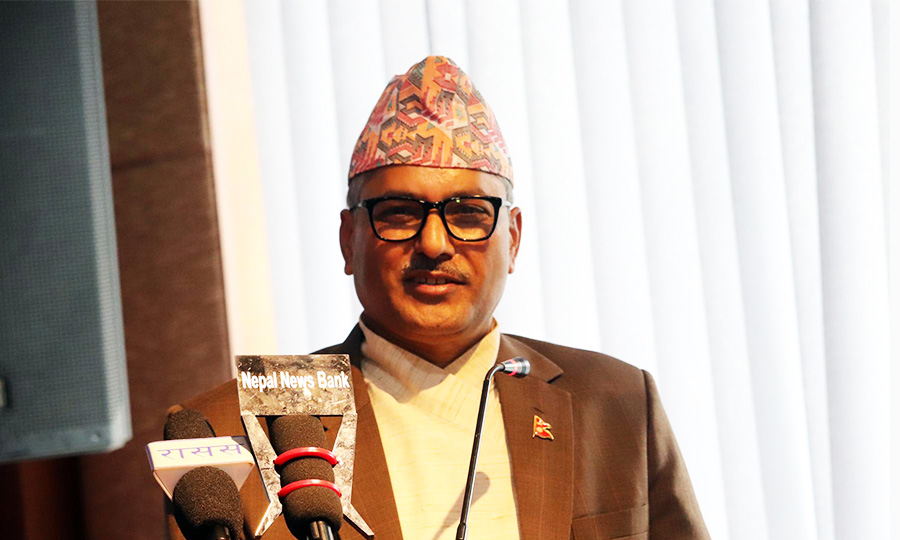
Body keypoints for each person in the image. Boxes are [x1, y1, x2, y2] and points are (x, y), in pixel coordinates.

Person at [172, 56, 709, 540]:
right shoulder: (235, 426)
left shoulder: (615, 402)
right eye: (399, 213)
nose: (433, 243)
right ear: (348, 239)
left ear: (513, 238)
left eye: (469, 213)